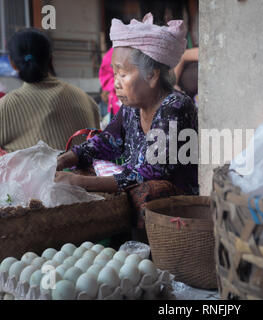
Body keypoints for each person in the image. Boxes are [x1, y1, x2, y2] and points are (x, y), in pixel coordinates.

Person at [56, 13, 199, 233]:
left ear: (151, 75)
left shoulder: (176, 106)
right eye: (114, 74)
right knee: (82, 166)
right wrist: (66, 158)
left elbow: (148, 173)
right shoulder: (132, 108)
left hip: (174, 210)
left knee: (148, 189)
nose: (115, 84)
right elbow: (108, 140)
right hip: (139, 194)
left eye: (123, 74)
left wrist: (77, 182)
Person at [0, 28, 100, 152]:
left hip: (37, 171)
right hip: (88, 170)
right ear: (51, 59)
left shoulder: (5, 106)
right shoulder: (86, 99)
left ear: (12, 63)